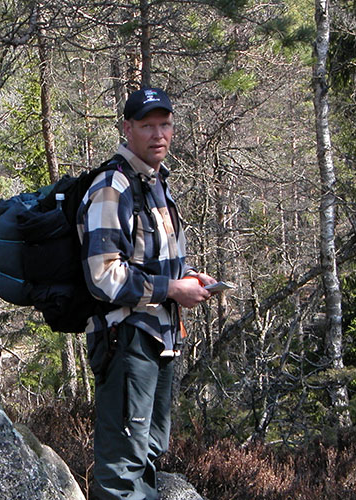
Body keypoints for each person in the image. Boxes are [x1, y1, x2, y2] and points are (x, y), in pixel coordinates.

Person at [78, 87, 216, 499]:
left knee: (150, 455)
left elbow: (153, 259)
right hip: (126, 340)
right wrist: (171, 288)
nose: (159, 134)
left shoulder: (157, 184)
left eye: (165, 124)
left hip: (161, 339)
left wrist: (189, 276)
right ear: (128, 129)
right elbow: (102, 276)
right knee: (123, 469)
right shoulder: (112, 187)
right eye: (148, 125)